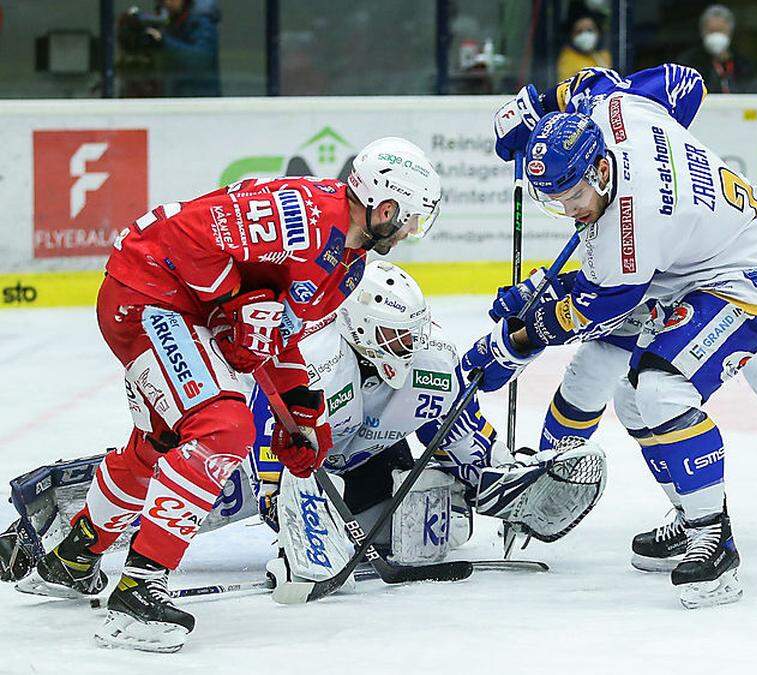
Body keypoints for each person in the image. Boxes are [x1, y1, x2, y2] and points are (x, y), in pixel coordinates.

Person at [478, 63, 757, 609]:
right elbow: (681, 81)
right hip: (702, 256)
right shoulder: (613, 113)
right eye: (554, 200)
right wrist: (535, 106)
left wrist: (521, 335)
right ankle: (695, 509)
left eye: (574, 195)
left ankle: (715, 539)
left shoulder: (632, 223)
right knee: (632, 392)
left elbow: (597, 305)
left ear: (602, 171)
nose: (568, 211)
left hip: (751, 273)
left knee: (666, 386)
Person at [9, 137, 442, 652]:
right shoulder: (301, 212)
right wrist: (235, 302)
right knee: (222, 426)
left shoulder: (347, 267)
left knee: (162, 443)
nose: (411, 231)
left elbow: (279, 334)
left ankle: (73, 556)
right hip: (148, 290)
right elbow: (192, 234)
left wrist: (302, 412)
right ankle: (138, 590)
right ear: (384, 206)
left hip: (183, 311)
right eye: (410, 219)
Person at [1, 263, 605, 595]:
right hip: (290, 463)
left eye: (413, 334)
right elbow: (267, 431)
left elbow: (461, 438)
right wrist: (283, 504)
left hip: (360, 458)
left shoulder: (433, 366)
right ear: (363, 333)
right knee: (196, 496)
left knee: (419, 525)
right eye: (396, 337)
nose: (409, 347)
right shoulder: (319, 360)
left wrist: (504, 486)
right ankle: (51, 503)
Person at [675, 4, 757, 94]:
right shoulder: (688, 63)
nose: (716, 36)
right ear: (702, 32)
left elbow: (756, 92)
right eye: (712, 31)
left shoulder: (744, 65)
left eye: (721, 30)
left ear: (730, 32)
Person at [145, 0, 222, 97]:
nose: (167, 2)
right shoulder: (169, 18)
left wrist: (163, 42)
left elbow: (201, 60)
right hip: (174, 98)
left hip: (199, 101)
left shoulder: (201, 18)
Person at [556, 8, 612, 81]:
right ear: (571, 35)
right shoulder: (566, 59)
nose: (585, 35)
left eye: (590, 30)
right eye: (579, 31)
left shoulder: (604, 55)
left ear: (598, 32)